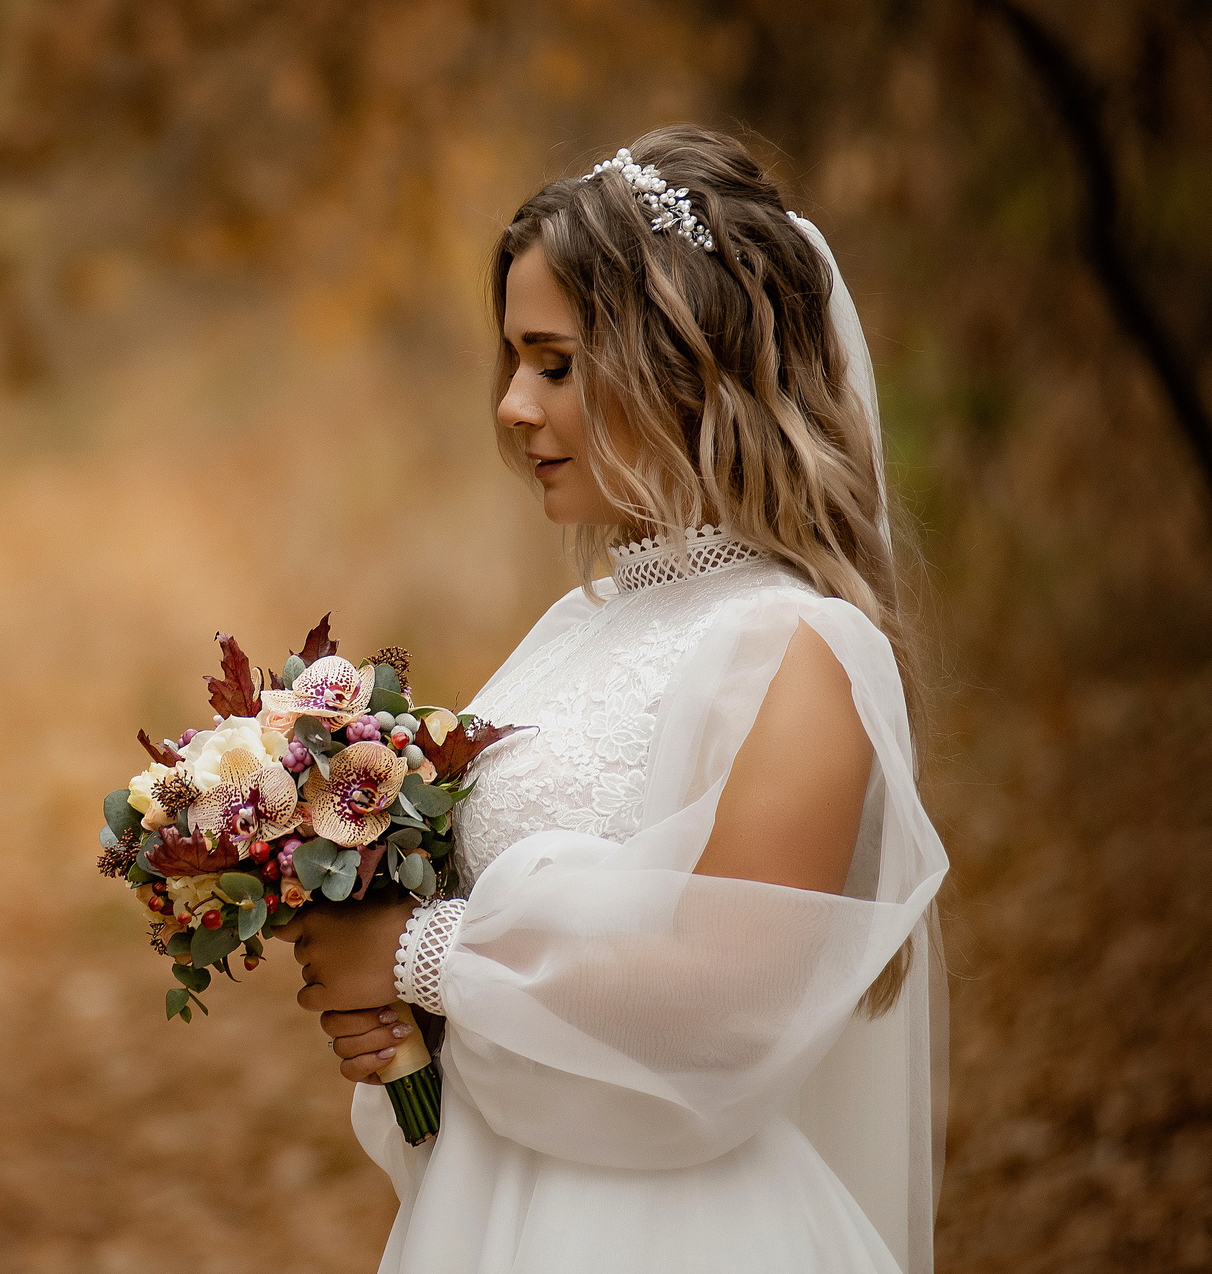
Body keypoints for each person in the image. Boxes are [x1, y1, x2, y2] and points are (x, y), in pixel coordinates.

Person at [279, 125, 947, 1273]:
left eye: (555, 361)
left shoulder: (801, 644)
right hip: (492, 1213)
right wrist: (409, 1022)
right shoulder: (575, 626)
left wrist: (415, 955)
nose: (511, 406)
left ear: (683, 363)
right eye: (512, 361)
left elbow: (725, 1006)